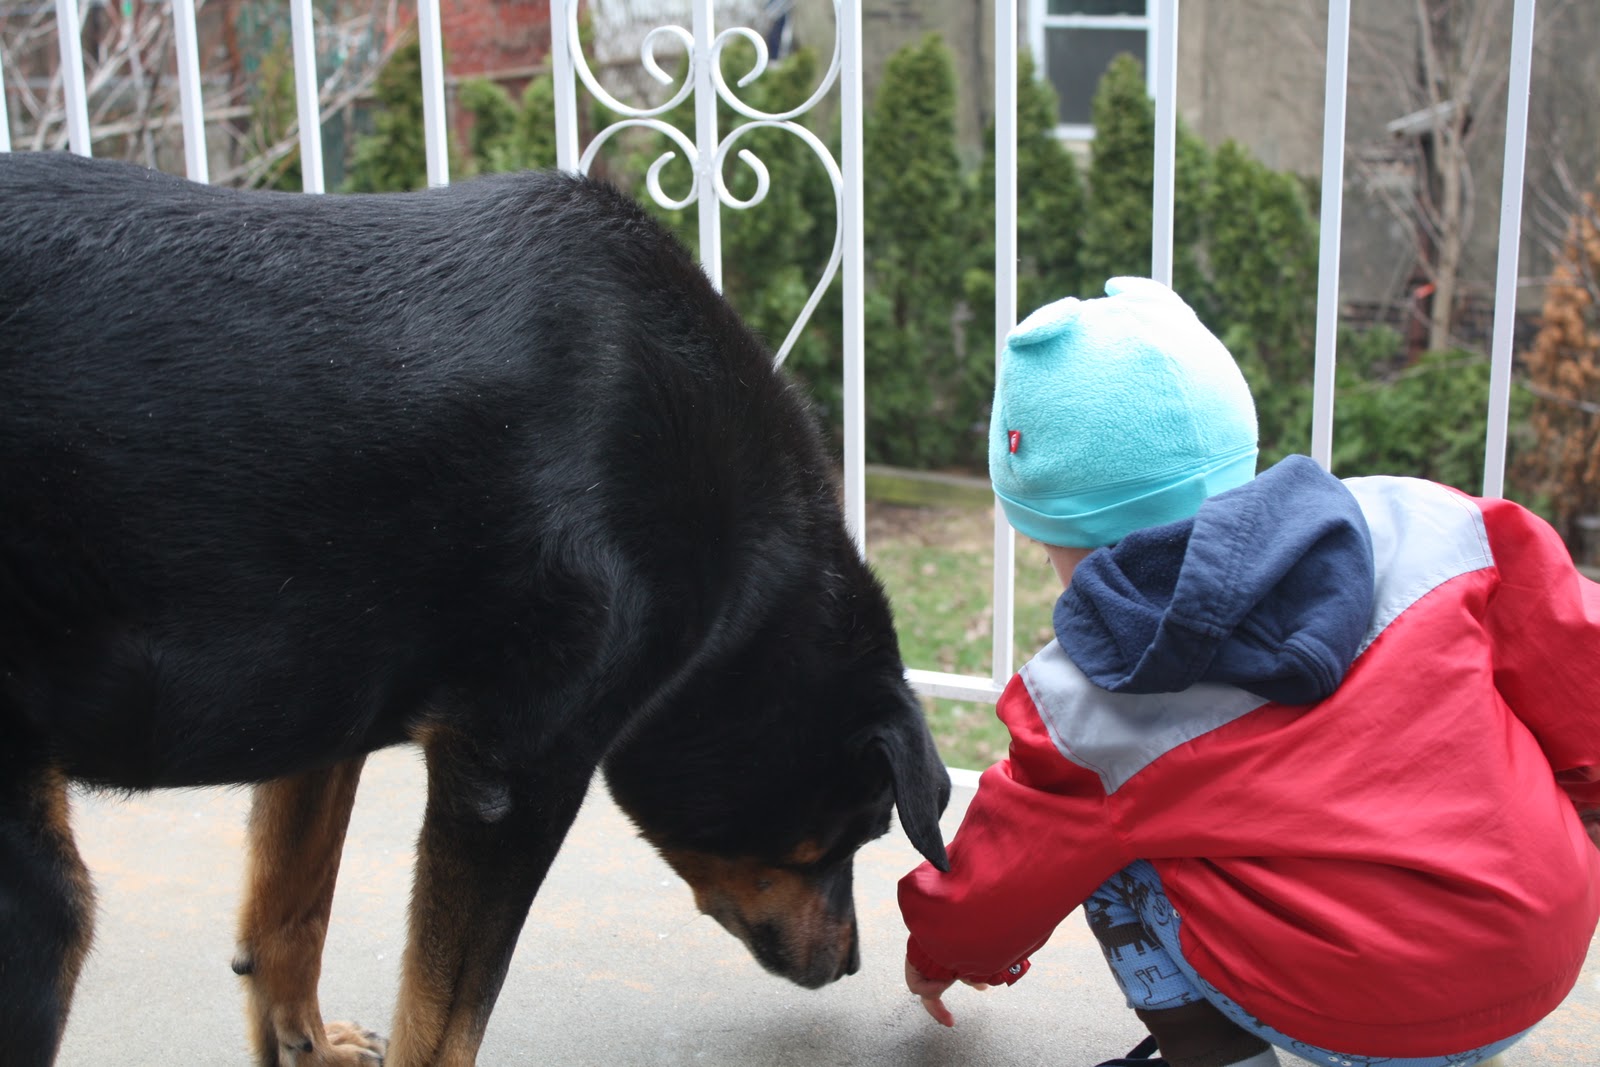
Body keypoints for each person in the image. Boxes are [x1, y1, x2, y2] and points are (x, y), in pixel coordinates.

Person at [898, 276, 1600, 1067]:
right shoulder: (1434, 523)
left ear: (1061, 536)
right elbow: (1581, 668)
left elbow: (1007, 867)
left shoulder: (1090, 701)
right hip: (1540, 953)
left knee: (1106, 841)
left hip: (1358, 1018)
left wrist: (941, 952)